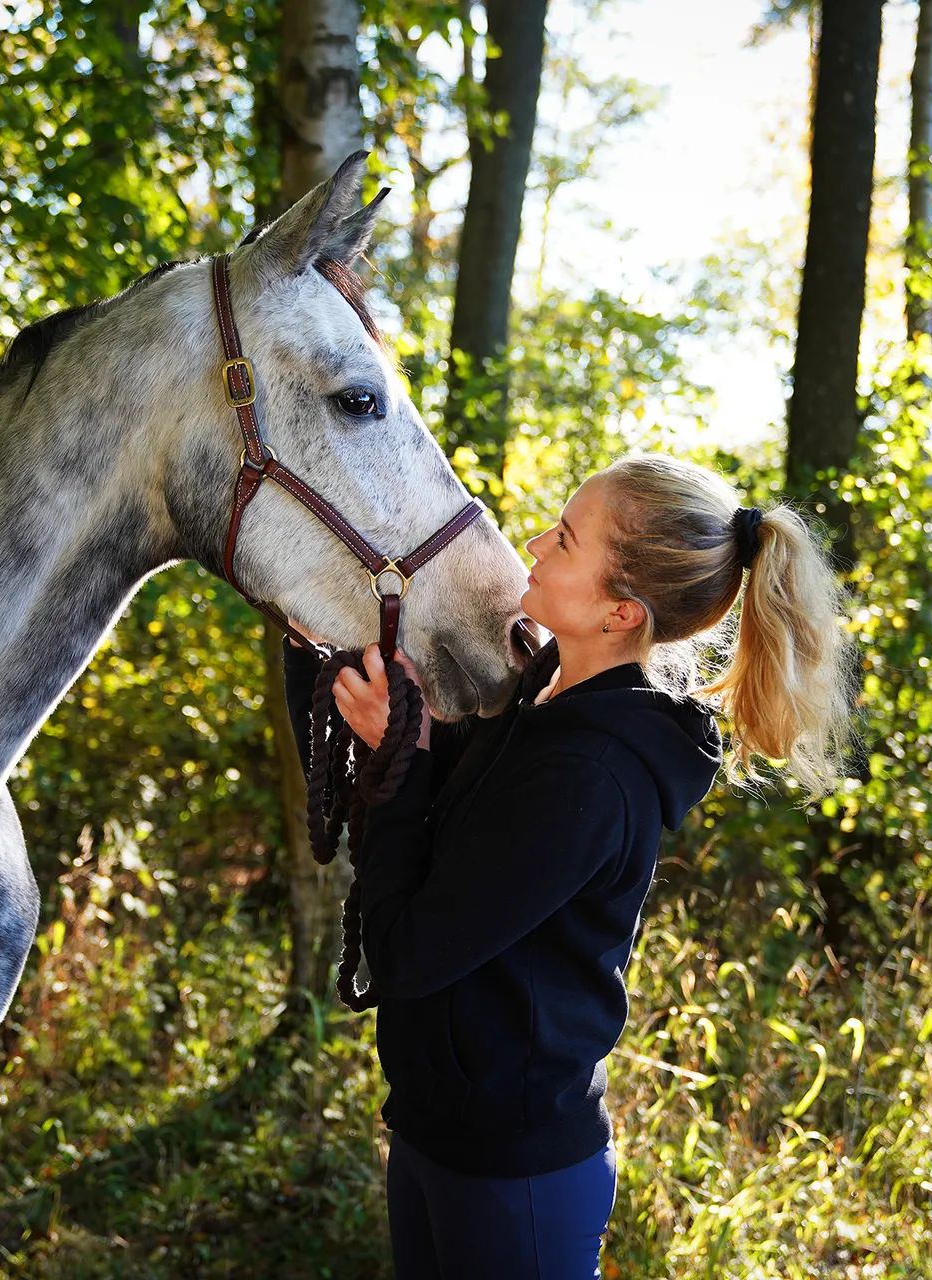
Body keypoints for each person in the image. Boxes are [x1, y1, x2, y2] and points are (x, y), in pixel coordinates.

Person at [282, 454, 856, 1280]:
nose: (535, 544)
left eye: (565, 538)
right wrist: (317, 651)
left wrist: (402, 756)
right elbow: (433, 815)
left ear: (621, 612)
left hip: (513, 1173)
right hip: (433, 1130)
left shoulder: (593, 776)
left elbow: (407, 952)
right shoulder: (540, 693)